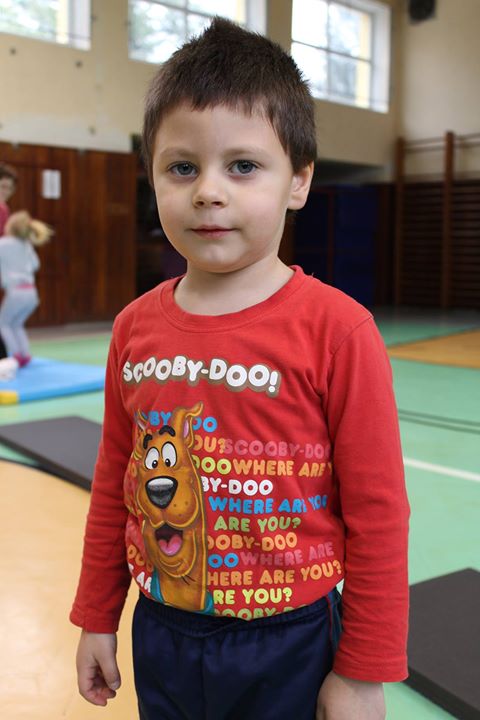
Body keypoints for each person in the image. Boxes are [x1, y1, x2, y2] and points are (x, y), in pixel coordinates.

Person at [71, 18, 409, 720]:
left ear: (299, 181)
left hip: (292, 641)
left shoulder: (338, 331)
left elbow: (378, 513)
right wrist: (97, 614)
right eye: (182, 168)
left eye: (243, 166)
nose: (208, 191)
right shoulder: (134, 328)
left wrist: (362, 671)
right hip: (162, 630)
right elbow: (114, 484)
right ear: (153, 177)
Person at [0, 210, 53, 374]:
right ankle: (25, 354)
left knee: (3, 323)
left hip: (16, 292)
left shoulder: (3, 243)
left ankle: (16, 355)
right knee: (16, 324)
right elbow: (36, 265)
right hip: (31, 292)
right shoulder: (26, 245)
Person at [0, 162, 18, 363]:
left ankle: (4, 358)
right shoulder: (2, 209)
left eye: (9, 188)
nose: (6, 191)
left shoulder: (4, 209)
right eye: (3, 186)